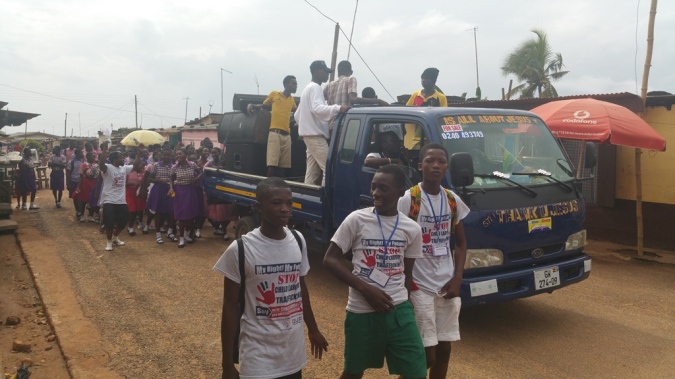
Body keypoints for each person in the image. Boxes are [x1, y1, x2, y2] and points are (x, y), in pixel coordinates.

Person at [214, 177, 327, 379]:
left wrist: (313, 329)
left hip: (292, 352)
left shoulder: (298, 241)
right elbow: (230, 307)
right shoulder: (241, 249)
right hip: (258, 355)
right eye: (276, 203)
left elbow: (300, 287)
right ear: (259, 206)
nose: (285, 209)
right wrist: (227, 364)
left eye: (289, 203)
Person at [323, 164, 426, 379]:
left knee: (415, 372)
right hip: (362, 311)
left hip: (398, 310)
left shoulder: (411, 229)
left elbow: (408, 273)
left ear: (400, 192)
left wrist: (406, 305)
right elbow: (330, 259)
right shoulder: (356, 219)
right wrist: (366, 289)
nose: (376, 193)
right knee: (353, 372)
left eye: (383, 188)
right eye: (374, 187)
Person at [397, 143, 469, 379]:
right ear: (420, 166)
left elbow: (460, 243)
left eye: (441, 161)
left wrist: (457, 279)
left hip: (446, 284)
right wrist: (406, 285)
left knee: (445, 348)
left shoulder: (451, 200)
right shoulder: (410, 199)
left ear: (447, 167)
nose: (436, 165)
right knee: (426, 354)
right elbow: (397, 243)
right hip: (420, 286)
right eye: (430, 161)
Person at [295, 60, 350, 186]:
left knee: (312, 174)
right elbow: (317, 108)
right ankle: (326, 201)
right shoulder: (315, 87)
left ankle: (307, 198)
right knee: (330, 169)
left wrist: (306, 125)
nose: (327, 75)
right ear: (317, 71)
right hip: (315, 137)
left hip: (309, 136)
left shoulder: (307, 89)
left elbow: (298, 115)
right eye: (325, 72)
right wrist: (338, 108)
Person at [247, 75, 298, 178]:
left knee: (283, 166)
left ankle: (279, 187)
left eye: (296, 84)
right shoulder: (275, 94)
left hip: (287, 135)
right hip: (275, 133)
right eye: (293, 84)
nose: (296, 86)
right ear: (286, 84)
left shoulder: (292, 100)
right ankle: (269, 186)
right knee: (273, 165)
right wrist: (252, 105)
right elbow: (264, 106)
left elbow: (296, 111)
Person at [98, 142, 144, 251]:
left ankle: (115, 237)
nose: (123, 159)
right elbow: (101, 164)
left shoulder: (124, 168)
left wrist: (139, 153)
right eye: (120, 158)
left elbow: (136, 165)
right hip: (109, 200)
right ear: (114, 159)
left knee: (123, 221)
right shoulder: (108, 168)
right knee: (109, 222)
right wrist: (104, 150)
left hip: (121, 201)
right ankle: (109, 242)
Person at [406, 68, 447, 150]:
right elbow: (407, 111)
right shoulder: (415, 95)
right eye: (422, 78)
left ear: (433, 81)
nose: (423, 80)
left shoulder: (440, 97)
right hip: (413, 139)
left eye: (426, 78)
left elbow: (443, 118)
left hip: (431, 138)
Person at [169, 148, 201, 248]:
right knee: (181, 216)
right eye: (177, 154)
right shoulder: (174, 167)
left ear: (186, 155)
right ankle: (181, 238)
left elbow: (201, 172)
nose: (178, 156)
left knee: (190, 215)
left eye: (180, 154)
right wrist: (171, 189)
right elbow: (171, 179)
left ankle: (187, 235)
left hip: (190, 191)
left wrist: (195, 179)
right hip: (179, 192)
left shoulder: (192, 165)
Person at [324, 61, 388, 109]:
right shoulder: (351, 80)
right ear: (351, 72)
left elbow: (321, 103)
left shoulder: (329, 86)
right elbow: (353, 99)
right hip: (344, 123)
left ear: (338, 72)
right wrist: (378, 101)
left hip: (331, 124)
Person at [205, 147, 237, 241]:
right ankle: (223, 231)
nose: (214, 154)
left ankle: (221, 229)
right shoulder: (209, 164)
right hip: (215, 191)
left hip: (226, 190)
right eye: (212, 153)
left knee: (227, 213)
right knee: (218, 213)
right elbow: (205, 174)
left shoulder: (226, 163)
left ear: (220, 153)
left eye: (216, 153)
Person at [146, 148, 176, 244]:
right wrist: (159, 181)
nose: (167, 157)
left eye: (169, 155)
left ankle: (170, 232)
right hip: (159, 189)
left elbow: (175, 178)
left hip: (170, 189)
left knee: (172, 211)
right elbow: (149, 179)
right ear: (161, 156)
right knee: (158, 213)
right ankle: (158, 235)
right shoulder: (156, 165)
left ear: (171, 156)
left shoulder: (174, 166)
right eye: (165, 155)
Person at [74, 152, 99, 223]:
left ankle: (90, 215)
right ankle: (82, 215)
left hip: (93, 183)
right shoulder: (83, 165)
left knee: (92, 200)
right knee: (83, 200)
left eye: (94, 156)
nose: (94, 158)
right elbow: (81, 176)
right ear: (87, 157)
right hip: (85, 183)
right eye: (92, 156)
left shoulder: (96, 165)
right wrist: (79, 186)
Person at [125, 159, 147, 236]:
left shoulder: (142, 174)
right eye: (140, 165)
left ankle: (130, 227)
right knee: (131, 210)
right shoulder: (128, 173)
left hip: (138, 193)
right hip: (128, 192)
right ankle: (128, 226)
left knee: (136, 211)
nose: (142, 167)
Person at [66, 149, 85, 218]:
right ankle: (78, 211)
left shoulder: (83, 161)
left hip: (82, 181)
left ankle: (80, 211)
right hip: (73, 181)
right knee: (75, 197)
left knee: (81, 197)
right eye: (81, 152)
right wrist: (68, 183)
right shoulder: (71, 162)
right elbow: (68, 173)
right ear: (77, 153)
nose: (82, 154)